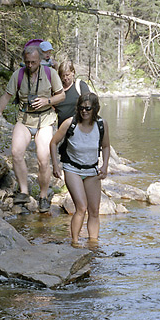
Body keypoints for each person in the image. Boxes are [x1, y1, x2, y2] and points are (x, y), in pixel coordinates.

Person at [0, 45, 65, 213]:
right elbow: (6, 96)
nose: (30, 65)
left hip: (45, 120)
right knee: (16, 153)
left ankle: (43, 196)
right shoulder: (18, 75)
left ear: (40, 60)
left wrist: (47, 101)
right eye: (27, 62)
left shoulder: (50, 74)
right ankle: (24, 192)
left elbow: (62, 95)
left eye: (33, 62)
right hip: (24, 119)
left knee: (43, 159)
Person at [50, 93, 110, 245]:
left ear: (95, 109)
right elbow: (53, 143)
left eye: (88, 108)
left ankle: (93, 243)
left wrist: (105, 165)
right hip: (72, 169)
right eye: (81, 108)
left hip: (92, 170)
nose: (84, 111)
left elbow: (106, 146)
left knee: (94, 210)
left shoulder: (101, 124)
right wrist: (56, 165)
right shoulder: (70, 123)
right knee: (81, 207)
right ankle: (75, 243)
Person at [55, 60, 90, 126]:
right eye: (63, 76)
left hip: (78, 127)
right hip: (61, 129)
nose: (65, 78)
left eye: (67, 75)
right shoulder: (57, 89)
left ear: (73, 72)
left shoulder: (80, 86)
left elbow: (89, 104)